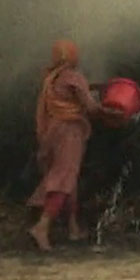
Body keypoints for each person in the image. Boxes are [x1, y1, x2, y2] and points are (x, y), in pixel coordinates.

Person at [27, 39, 105, 251]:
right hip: (69, 132)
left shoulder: (52, 78)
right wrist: (114, 112)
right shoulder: (73, 77)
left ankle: (73, 227)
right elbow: (91, 107)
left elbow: (74, 92)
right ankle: (42, 227)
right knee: (64, 178)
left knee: (68, 177)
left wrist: (95, 86)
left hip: (52, 132)